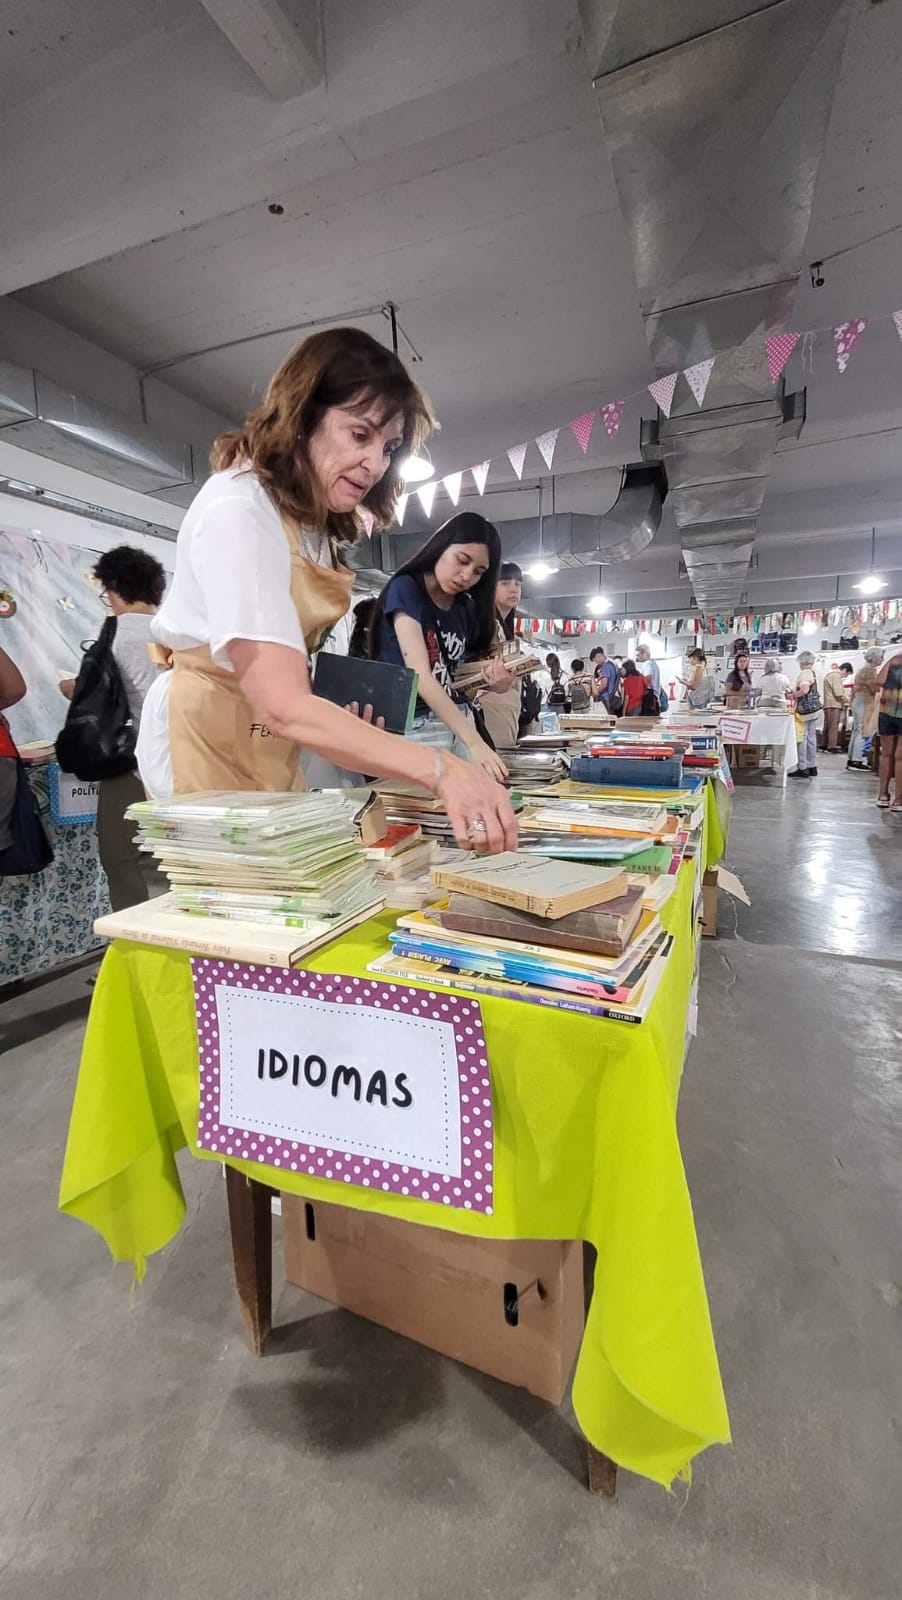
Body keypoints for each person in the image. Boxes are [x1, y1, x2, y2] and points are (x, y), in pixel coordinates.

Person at [152, 327, 517, 853]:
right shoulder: (241, 509)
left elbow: (287, 691)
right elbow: (280, 702)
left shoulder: (309, 523)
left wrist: (337, 718)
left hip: (267, 737)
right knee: (237, 899)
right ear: (303, 418)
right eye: (360, 435)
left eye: (389, 447)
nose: (376, 464)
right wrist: (442, 768)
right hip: (211, 734)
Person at [370, 512, 514, 780]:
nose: (466, 575)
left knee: (480, 807)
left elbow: (458, 675)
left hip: (458, 718)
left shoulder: (465, 606)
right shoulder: (406, 589)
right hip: (416, 723)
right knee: (429, 815)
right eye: (462, 560)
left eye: (478, 572)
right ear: (442, 546)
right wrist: (475, 742)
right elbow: (420, 676)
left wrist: (497, 683)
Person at [60, 545, 166, 909]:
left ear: (113, 588)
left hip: (134, 766)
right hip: (184, 763)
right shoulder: (175, 634)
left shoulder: (115, 635)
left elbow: (102, 695)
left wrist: (74, 688)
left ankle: (138, 955)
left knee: (124, 862)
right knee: (180, 864)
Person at [478, 561, 528, 750]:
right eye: (505, 583)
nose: (513, 589)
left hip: (507, 716)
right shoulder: (486, 626)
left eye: (518, 584)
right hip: (489, 714)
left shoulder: (509, 633)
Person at [874, 646, 902, 809]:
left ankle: (883, 794)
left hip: (887, 711)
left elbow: (879, 681)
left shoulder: (893, 660)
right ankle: (898, 799)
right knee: (900, 757)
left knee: (886, 755)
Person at [847, 649, 883, 771]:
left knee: (857, 730)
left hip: (859, 700)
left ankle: (852, 759)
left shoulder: (864, 669)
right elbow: (874, 688)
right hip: (865, 701)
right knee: (863, 731)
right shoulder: (870, 670)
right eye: (881, 657)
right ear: (874, 658)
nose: (882, 660)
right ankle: (856, 760)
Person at [789, 650, 821, 779]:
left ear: (802, 662)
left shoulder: (805, 673)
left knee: (801, 737)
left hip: (805, 710)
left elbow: (804, 689)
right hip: (815, 709)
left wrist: (794, 695)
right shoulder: (814, 672)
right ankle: (812, 765)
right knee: (812, 738)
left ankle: (802, 767)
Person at [822, 661, 853, 753]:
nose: (845, 677)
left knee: (828, 726)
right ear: (844, 670)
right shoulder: (836, 676)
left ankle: (825, 744)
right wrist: (847, 700)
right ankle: (831, 746)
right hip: (834, 704)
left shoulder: (829, 675)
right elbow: (838, 693)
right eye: (847, 674)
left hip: (829, 703)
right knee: (833, 726)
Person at [589, 646, 619, 712]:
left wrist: (594, 692)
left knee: (607, 718)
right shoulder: (612, 663)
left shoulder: (605, 666)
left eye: (595, 660)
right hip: (613, 696)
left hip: (606, 697)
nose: (596, 662)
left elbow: (604, 685)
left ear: (599, 656)